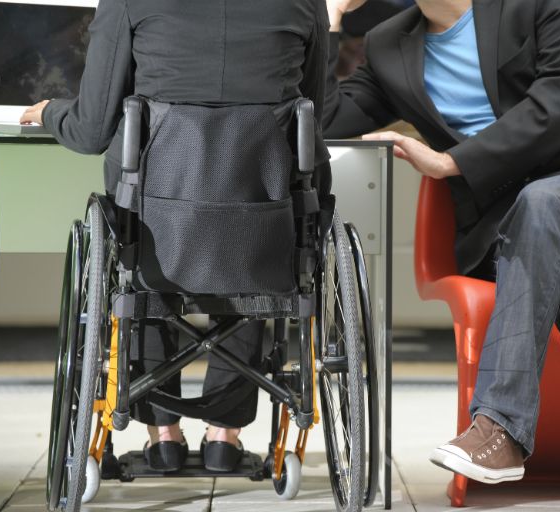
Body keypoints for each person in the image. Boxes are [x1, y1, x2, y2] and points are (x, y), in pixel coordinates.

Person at [323, 0, 560, 510]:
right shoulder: (390, 44)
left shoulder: (539, 5)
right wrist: (331, 20)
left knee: (542, 203)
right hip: (508, 235)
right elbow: (327, 117)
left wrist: (452, 161)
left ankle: (501, 426)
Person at [21, 0, 330, 473]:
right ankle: (224, 436)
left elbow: (89, 130)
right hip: (263, 228)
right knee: (261, 200)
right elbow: (312, 115)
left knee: (135, 235)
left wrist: (48, 112)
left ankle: (162, 434)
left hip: (158, 229)